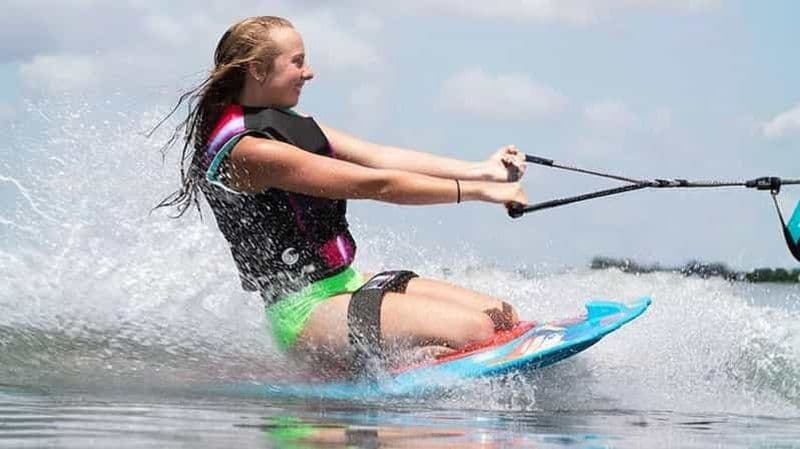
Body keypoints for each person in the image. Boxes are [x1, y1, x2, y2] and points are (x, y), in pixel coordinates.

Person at [156, 16, 529, 375]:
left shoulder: (288, 124)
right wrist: (482, 193)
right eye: (297, 62)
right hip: (305, 310)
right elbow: (376, 184)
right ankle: (397, 372)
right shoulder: (249, 150)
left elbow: (382, 157)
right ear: (257, 69)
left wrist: (485, 170)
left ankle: (409, 354)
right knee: (475, 332)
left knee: (501, 318)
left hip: (346, 283)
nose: (309, 72)